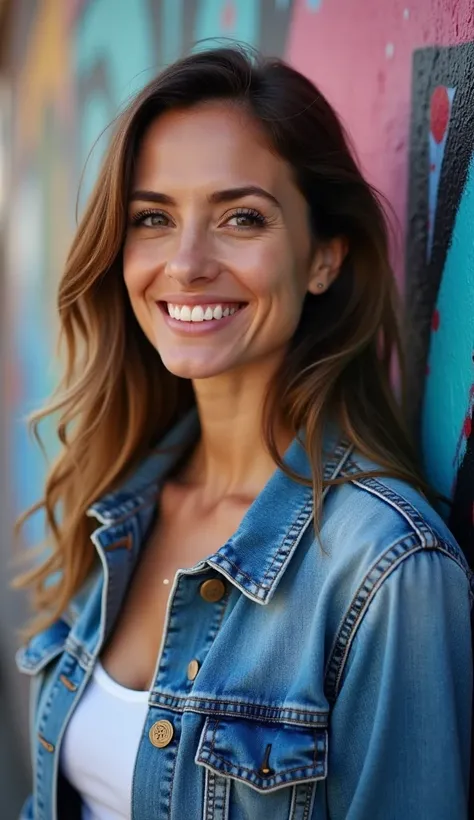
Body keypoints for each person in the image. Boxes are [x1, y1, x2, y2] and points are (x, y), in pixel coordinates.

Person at [15, 46, 472, 820]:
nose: (187, 264)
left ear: (324, 257)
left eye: (241, 218)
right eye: (153, 218)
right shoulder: (120, 503)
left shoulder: (385, 569)